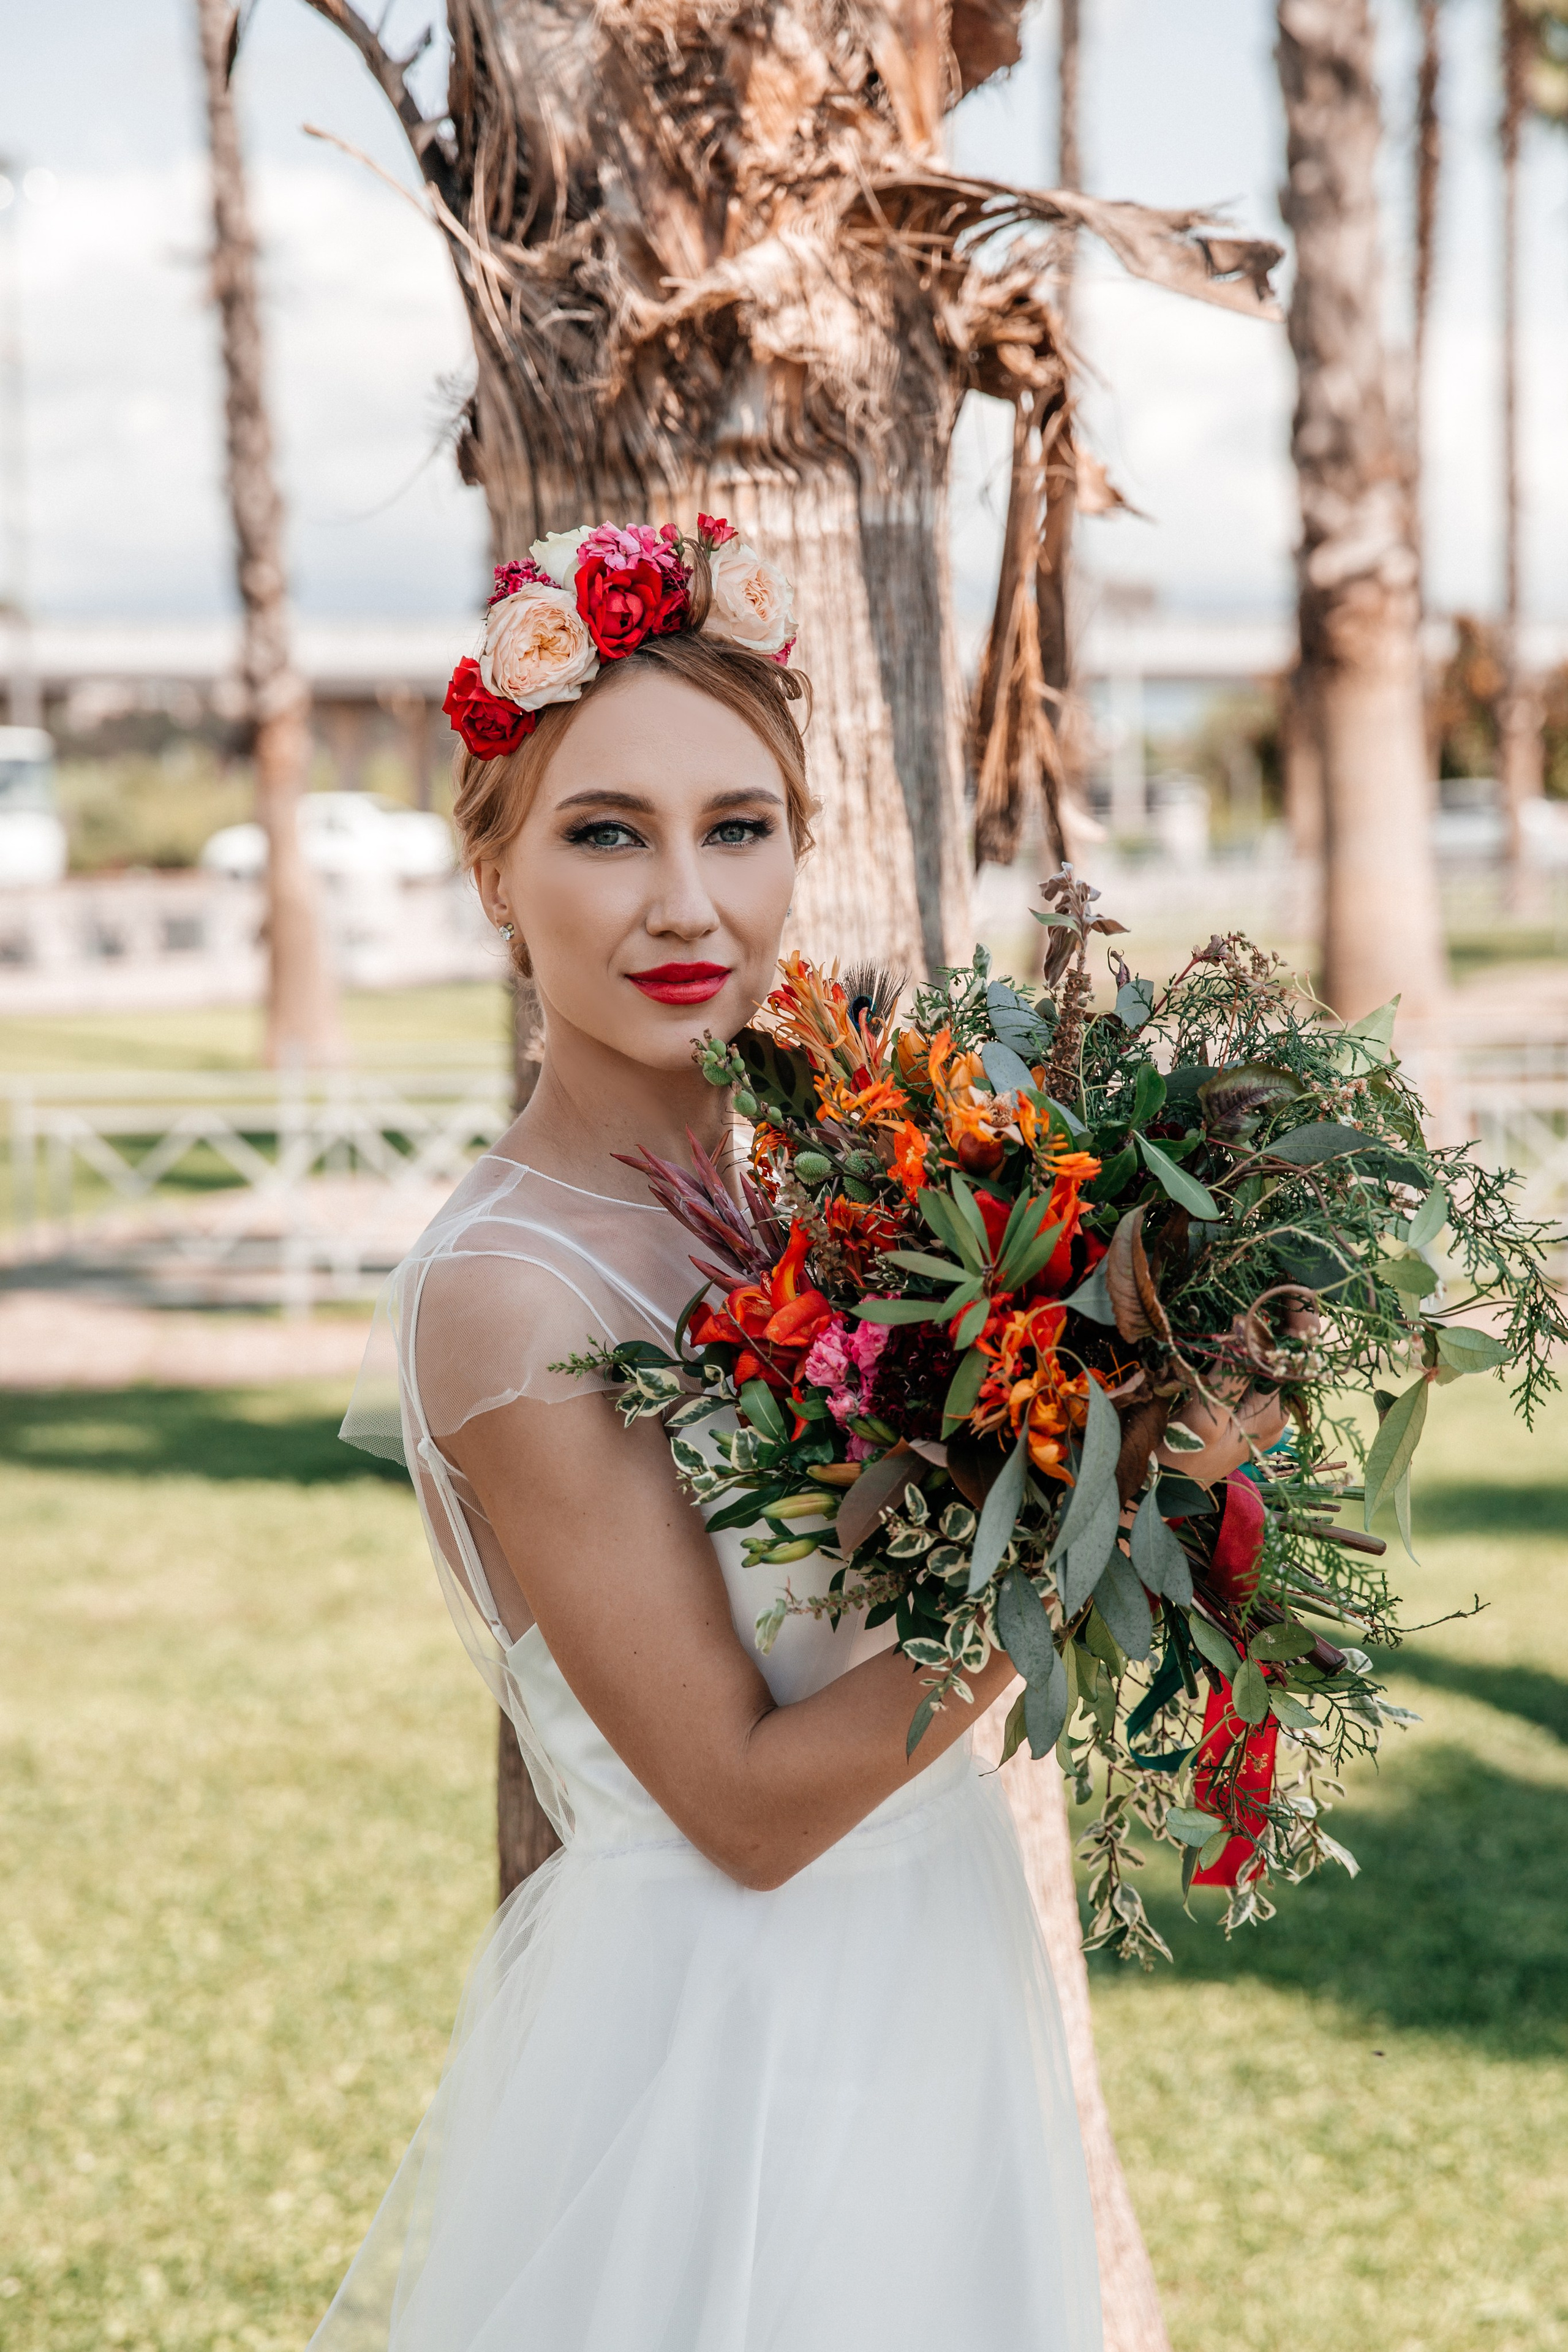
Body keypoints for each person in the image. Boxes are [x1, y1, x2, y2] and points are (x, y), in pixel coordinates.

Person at [316, 519, 1102, 2351]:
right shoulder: (512, 1295)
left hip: (920, 1968)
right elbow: (745, 1811)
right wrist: (1100, 1521)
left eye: (737, 827)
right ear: (496, 873)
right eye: (608, 833)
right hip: (733, 2041)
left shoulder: (796, 1204)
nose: (689, 905)